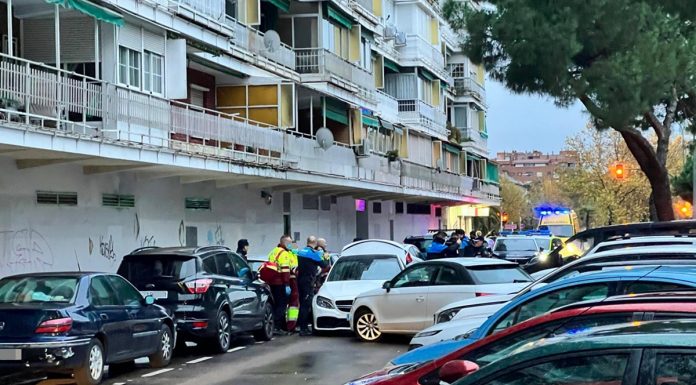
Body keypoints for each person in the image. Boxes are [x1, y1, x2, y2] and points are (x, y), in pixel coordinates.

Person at [297, 236, 329, 336]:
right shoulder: (313, 254)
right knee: (306, 305)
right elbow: (324, 265)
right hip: (308, 281)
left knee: (302, 303)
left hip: (300, 280)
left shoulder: (300, 252)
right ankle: (303, 328)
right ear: (315, 243)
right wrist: (326, 256)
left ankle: (303, 326)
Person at [263, 235, 294, 334]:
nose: (291, 245)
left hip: (272, 282)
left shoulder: (274, 251)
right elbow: (285, 269)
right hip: (280, 282)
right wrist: (287, 284)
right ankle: (277, 327)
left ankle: (279, 327)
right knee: (282, 305)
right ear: (283, 243)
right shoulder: (284, 253)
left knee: (276, 305)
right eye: (289, 243)